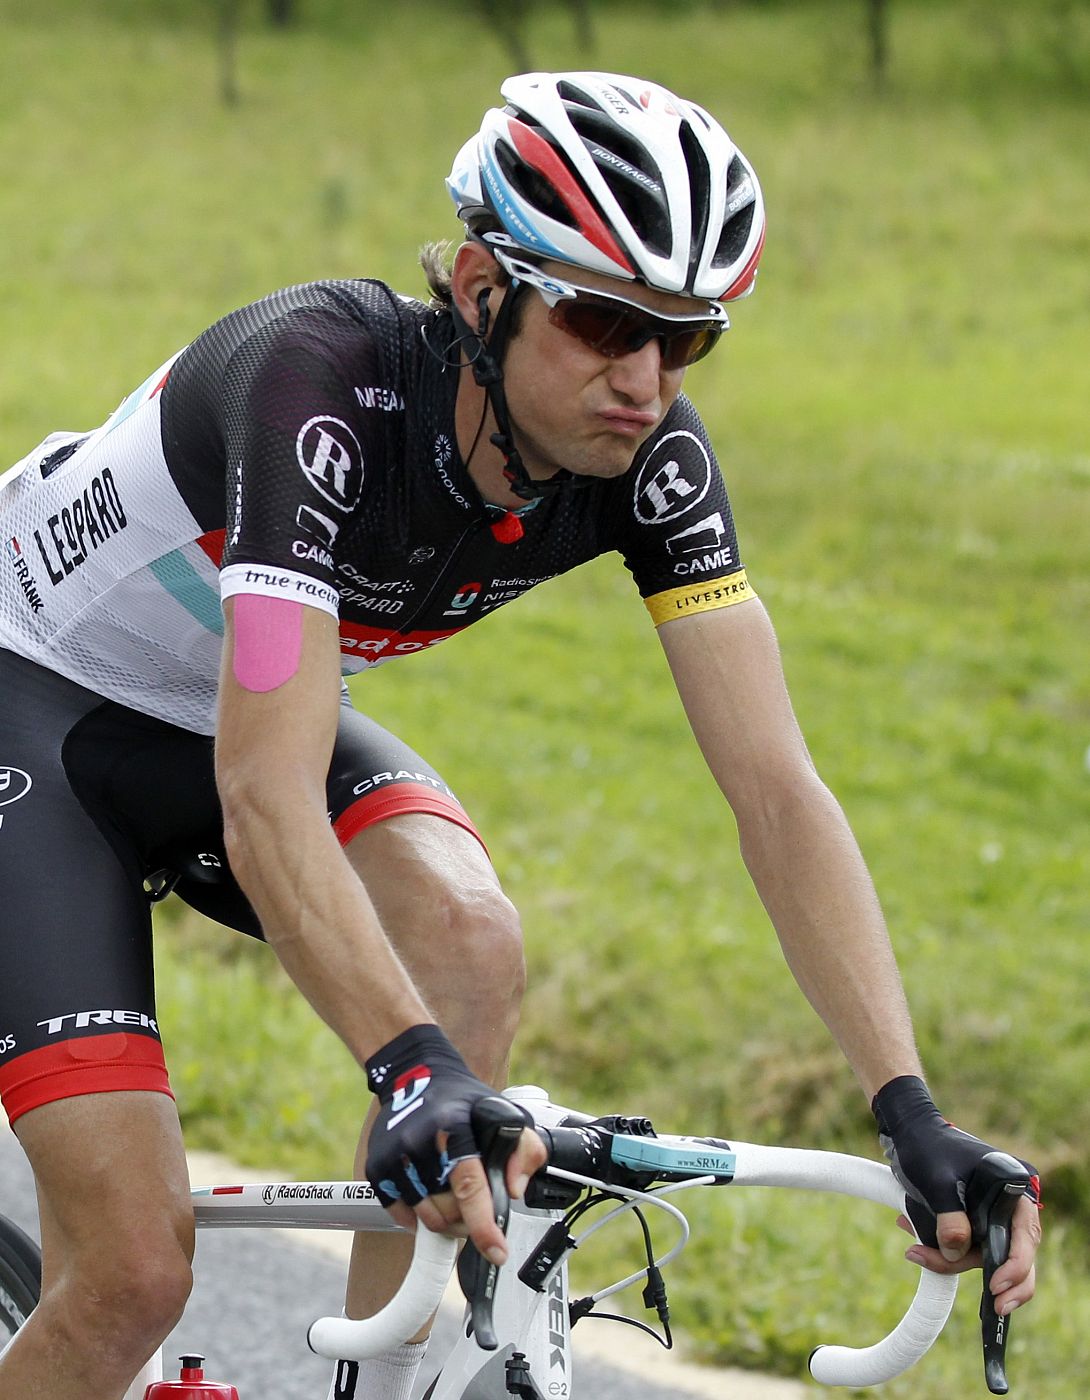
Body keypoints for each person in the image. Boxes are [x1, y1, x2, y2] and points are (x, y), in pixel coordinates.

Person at [0, 70, 1039, 1400]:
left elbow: (776, 791)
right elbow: (263, 801)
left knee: (472, 938)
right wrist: (406, 1067)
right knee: (136, 1272)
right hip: (39, 709)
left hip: (237, 715)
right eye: (606, 321)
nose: (646, 379)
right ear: (486, 291)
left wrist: (907, 1109)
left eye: (688, 339)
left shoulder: (647, 463)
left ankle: (367, 1386)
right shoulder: (313, 384)